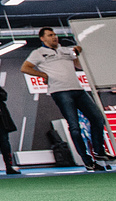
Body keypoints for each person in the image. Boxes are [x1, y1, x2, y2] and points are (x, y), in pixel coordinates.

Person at [21, 27, 114, 171]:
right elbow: (25, 68)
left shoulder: (66, 50)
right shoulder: (38, 53)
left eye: (55, 35)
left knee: (97, 118)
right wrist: (43, 75)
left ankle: (99, 151)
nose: (54, 37)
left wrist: (78, 53)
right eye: (50, 35)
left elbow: (77, 65)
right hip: (60, 91)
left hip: (78, 89)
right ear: (42, 38)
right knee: (75, 126)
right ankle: (87, 160)